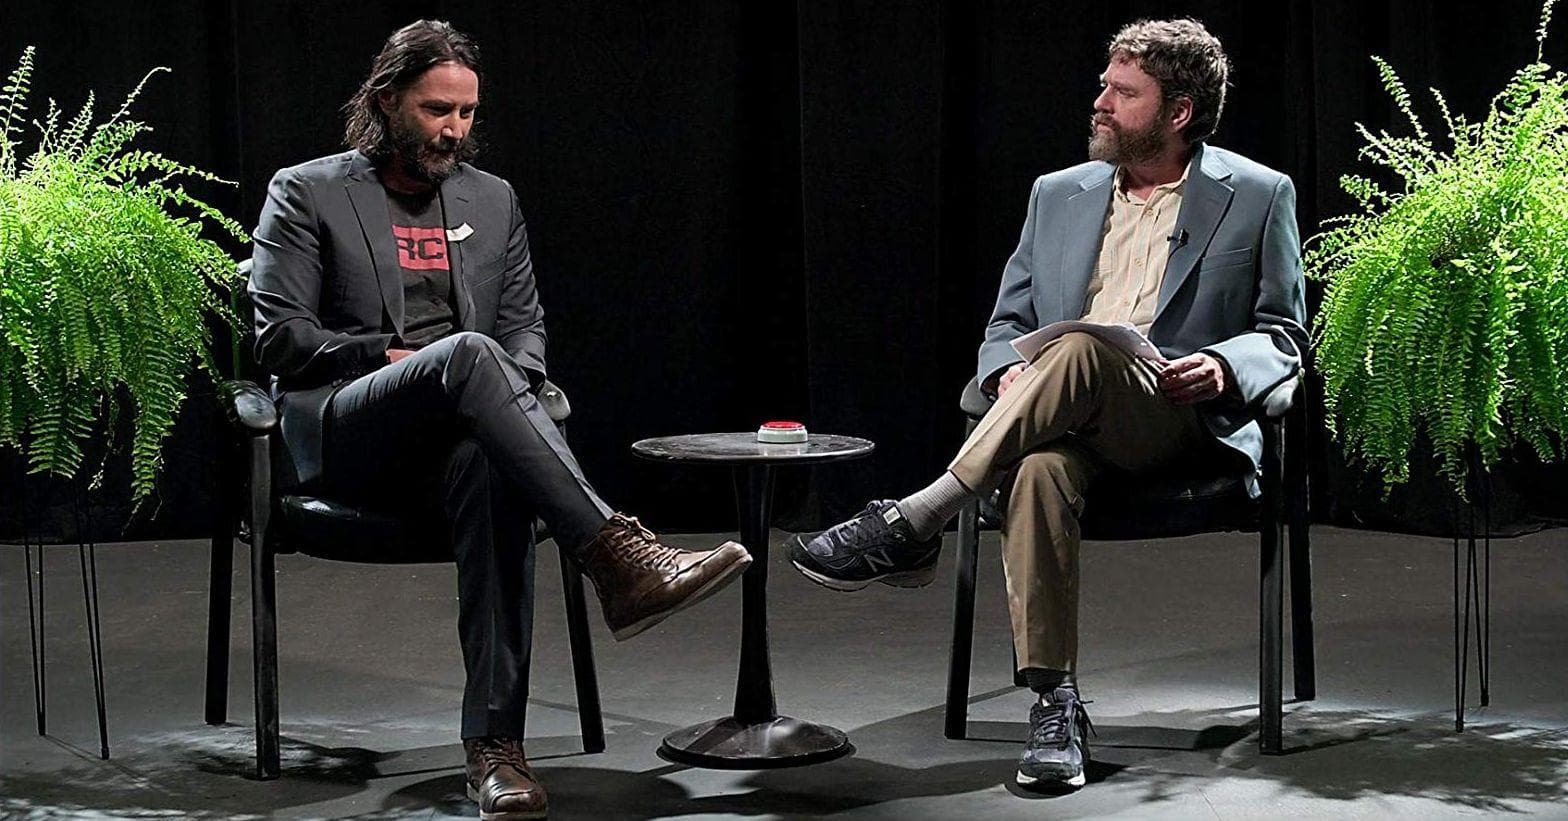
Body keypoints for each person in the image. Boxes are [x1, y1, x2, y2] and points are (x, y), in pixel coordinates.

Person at [249, 20, 752, 821]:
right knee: (469, 354)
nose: (453, 129)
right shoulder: (307, 191)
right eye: (435, 110)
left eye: (466, 113)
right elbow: (281, 338)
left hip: (459, 431)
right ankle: (619, 556)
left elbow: (526, 331)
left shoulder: (492, 199)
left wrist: (497, 385)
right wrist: (390, 355)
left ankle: (495, 748)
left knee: (492, 459)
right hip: (351, 430)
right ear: (386, 102)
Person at [787, 18, 1306, 791]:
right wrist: (1005, 374)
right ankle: (1054, 704)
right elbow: (1007, 327)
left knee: (1083, 349)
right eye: (1104, 85)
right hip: (1064, 418)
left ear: (1179, 112)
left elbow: (1286, 335)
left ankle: (916, 518)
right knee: (1036, 473)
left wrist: (1223, 364)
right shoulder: (1058, 194)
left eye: (1124, 93)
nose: (1101, 102)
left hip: (1176, 417)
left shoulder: (1258, 194)